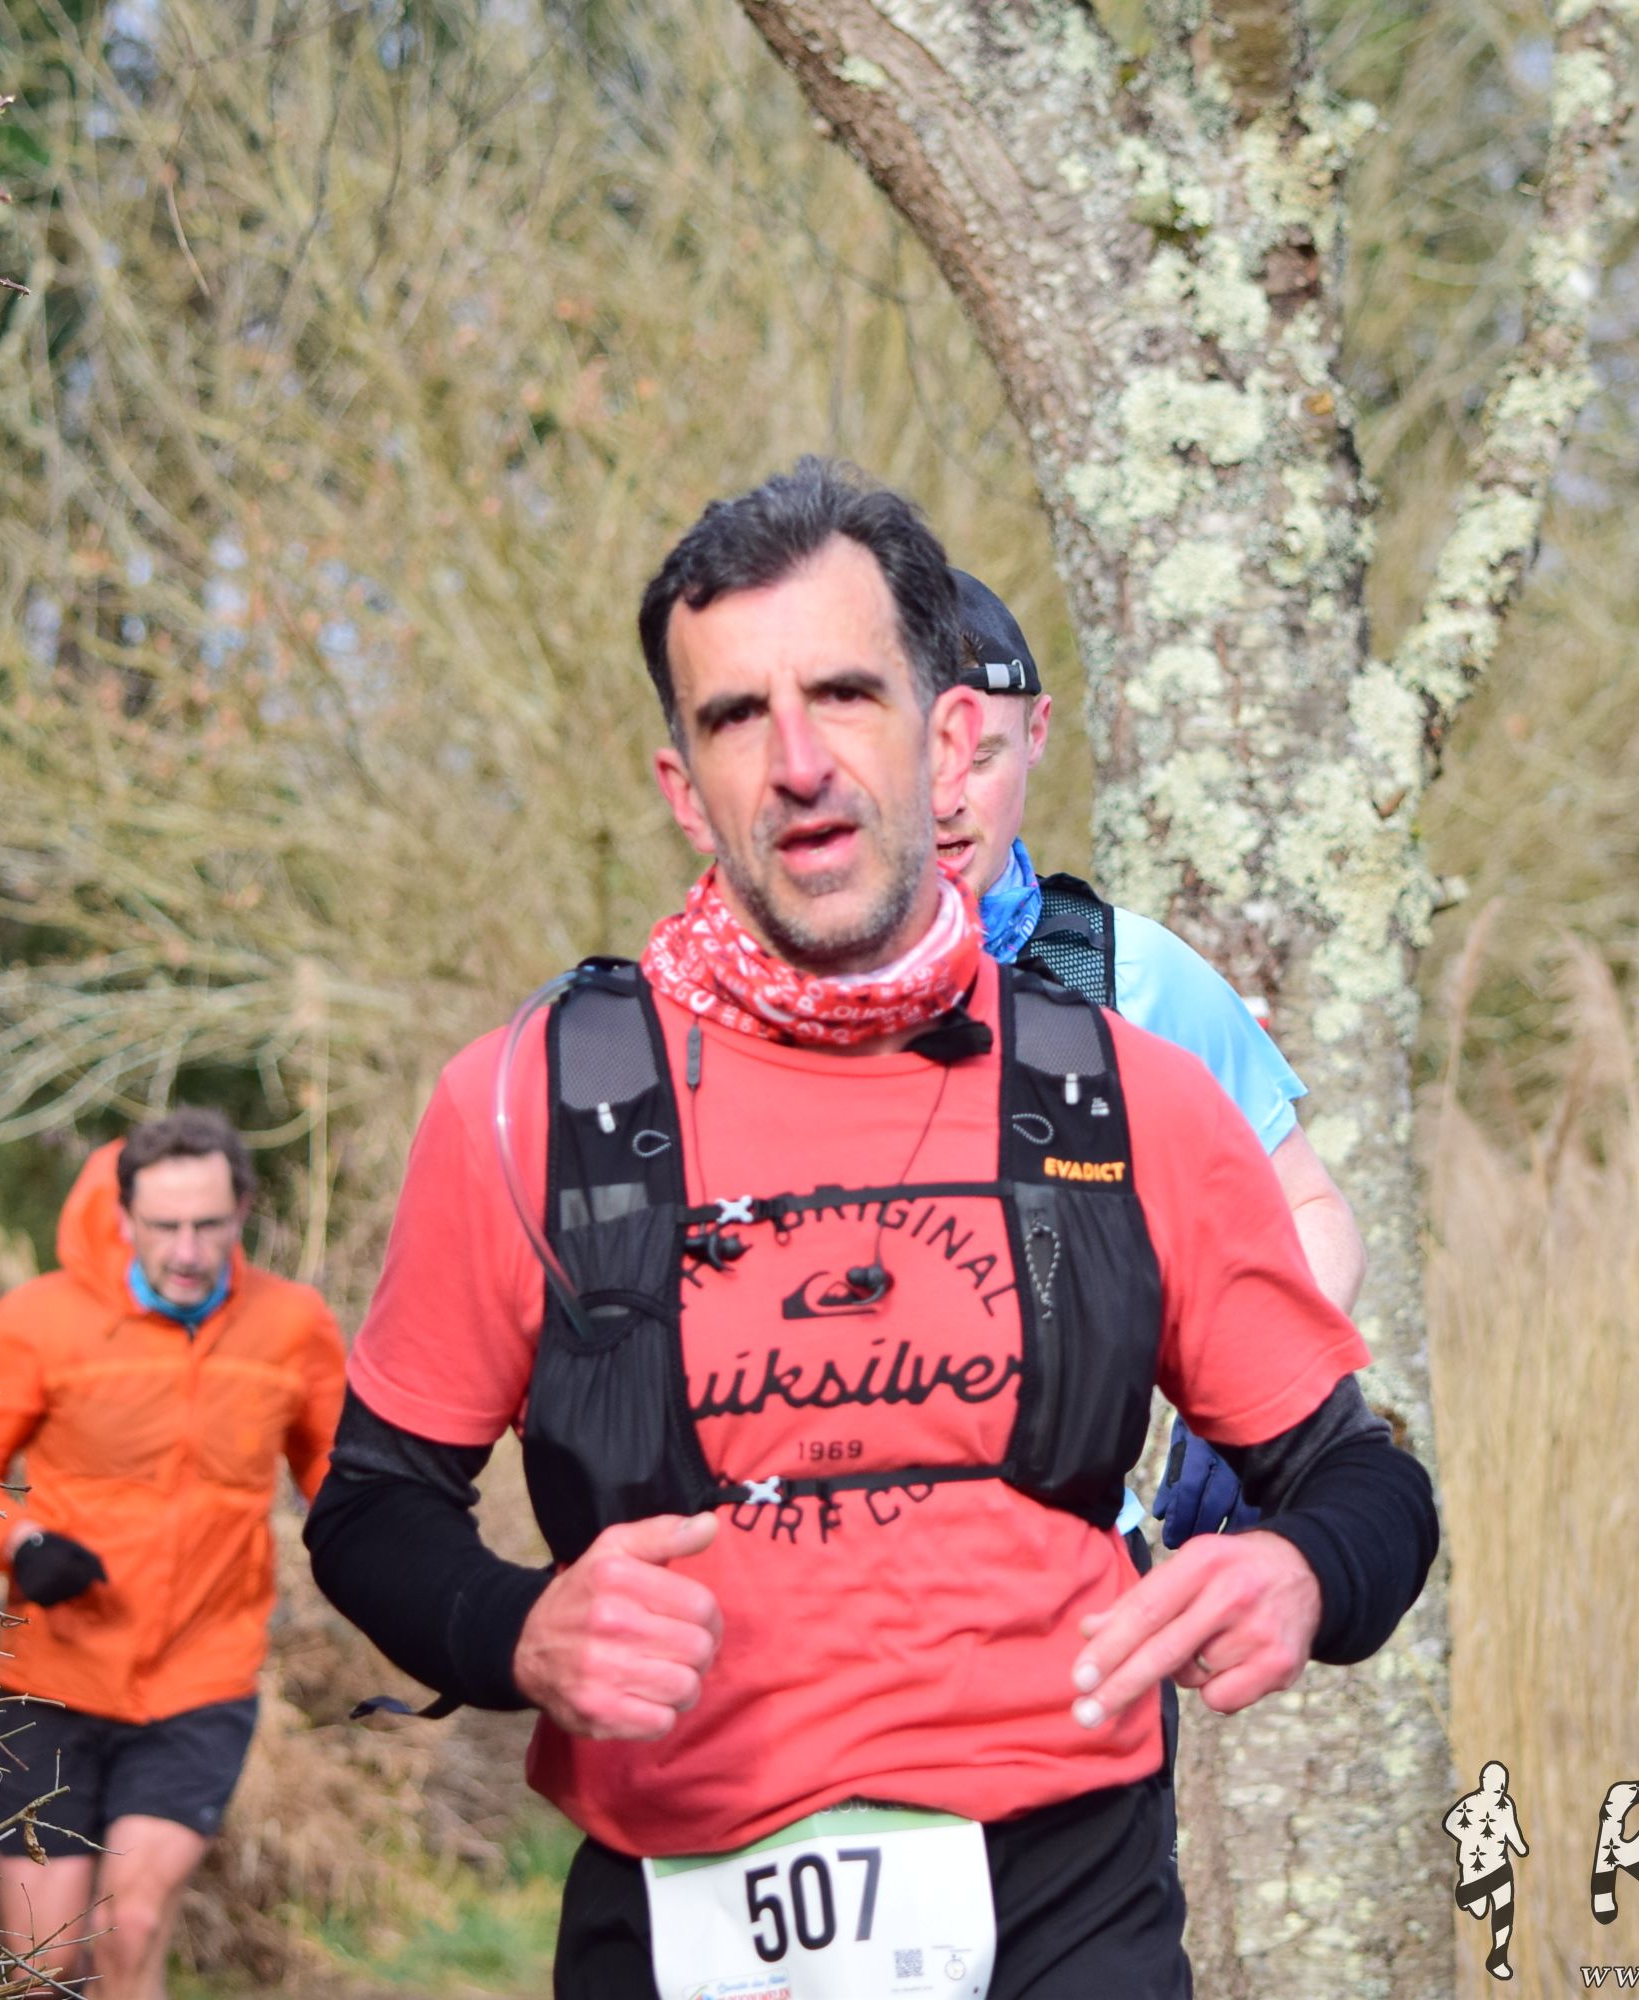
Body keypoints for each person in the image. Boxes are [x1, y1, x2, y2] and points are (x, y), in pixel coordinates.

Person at [305, 458, 1436, 1998]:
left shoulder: (1123, 1094)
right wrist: (514, 1629)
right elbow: (373, 1509)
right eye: (736, 717)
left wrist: (1302, 1573)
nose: (797, 763)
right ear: (682, 785)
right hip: (677, 1906)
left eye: (844, 695)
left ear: (949, 736)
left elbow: (1363, 1481)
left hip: (1067, 1898)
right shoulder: (529, 1105)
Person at [934, 571, 1364, 1549]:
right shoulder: (767, 990)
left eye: (982, 755)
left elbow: (1307, 1206)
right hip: (827, 1588)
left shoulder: (1127, 972)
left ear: (1037, 732)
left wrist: (1259, 1384)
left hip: (1085, 1579)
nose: (948, 799)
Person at [0, 1108, 346, 2000]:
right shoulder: (42, 1318)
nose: (188, 1251)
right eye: (165, 1226)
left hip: (202, 1678)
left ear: (243, 1212)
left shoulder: (292, 1324)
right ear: (124, 1217)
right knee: (42, 1967)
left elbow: (339, 1474)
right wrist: (20, 1541)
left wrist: (392, 1554)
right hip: (54, 1678)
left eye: (209, 1225)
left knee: (132, 1928)